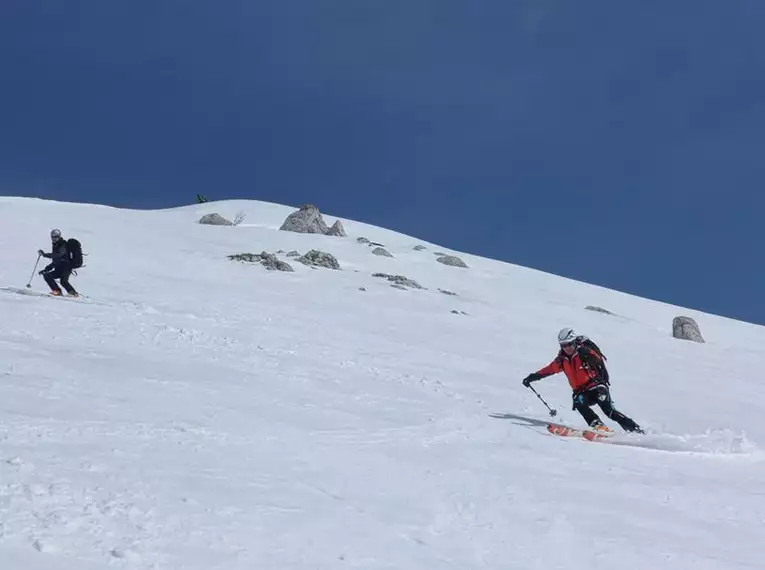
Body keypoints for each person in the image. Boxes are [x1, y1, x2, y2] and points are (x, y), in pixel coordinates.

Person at [522, 327, 643, 433]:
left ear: (574, 342)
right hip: (582, 391)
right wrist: (532, 377)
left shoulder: (584, 352)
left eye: (569, 344)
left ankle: (635, 429)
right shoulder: (562, 361)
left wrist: (590, 356)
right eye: (563, 345)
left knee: (609, 411)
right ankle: (598, 426)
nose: (567, 348)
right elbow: (549, 370)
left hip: (597, 387)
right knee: (578, 402)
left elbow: (598, 360)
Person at [38, 228, 79, 297]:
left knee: (63, 281)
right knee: (47, 276)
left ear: (59, 236)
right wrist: (46, 269)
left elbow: (58, 255)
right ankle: (57, 291)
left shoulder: (63, 244)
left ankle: (73, 293)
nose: (54, 238)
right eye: (52, 237)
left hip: (66, 267)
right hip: (59, 268)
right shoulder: (55, 245)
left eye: (55, 237)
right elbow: (56, 260)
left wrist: (45, 255)